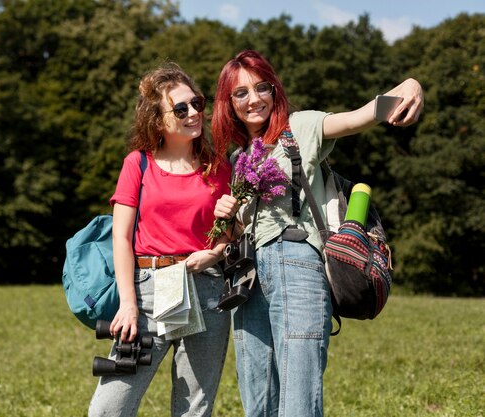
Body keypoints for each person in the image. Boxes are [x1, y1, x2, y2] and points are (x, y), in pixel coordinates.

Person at [211, 50, 424, 417]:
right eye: (240, 93)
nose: (253, 99)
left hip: (297, 264)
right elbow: (241, 231)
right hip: (246, 278)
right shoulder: (237, 159)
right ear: (228, 104)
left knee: (298, 397)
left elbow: (360, 117)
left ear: (273, 90)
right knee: (256, 397)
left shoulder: (301, 127)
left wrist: (410, 85)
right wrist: (228, 218)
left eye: (261, 87)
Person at [88, 62, 232, 417]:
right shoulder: (137, 164)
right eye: (180, 108)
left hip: (208, 291)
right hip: (149, 291)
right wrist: (128, 303)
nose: (194, 113)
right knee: (109, 408)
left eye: (197, 103)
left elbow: (229, 238)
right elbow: (121, 238)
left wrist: (213, 255)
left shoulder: (219, 168)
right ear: (157, 120)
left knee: (193, 409)